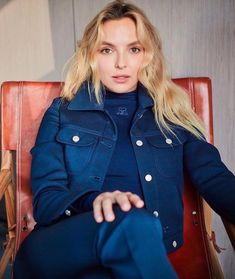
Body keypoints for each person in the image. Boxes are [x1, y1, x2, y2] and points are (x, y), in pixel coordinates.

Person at [13, 0, 235, 278]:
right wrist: (95, 200)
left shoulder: (172, 115)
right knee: (133, 222)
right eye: (107, 50)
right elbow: (46, 202)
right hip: (61, 247)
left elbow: (216, 179)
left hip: (136, 251)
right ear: (91, 56)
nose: (121, 62)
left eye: (133, 49)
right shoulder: (63, 112)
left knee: (134, 237)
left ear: (147, 55)